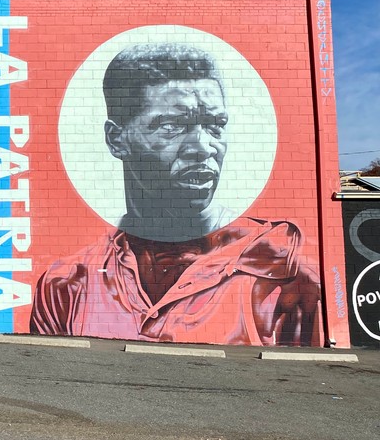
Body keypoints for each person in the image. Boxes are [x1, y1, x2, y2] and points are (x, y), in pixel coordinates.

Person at [30, 43, 321, 346]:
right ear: (117, 140)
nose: (203, 148)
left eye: (215, 125)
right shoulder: (67, 285)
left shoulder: (280, 267)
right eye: (171, 126)